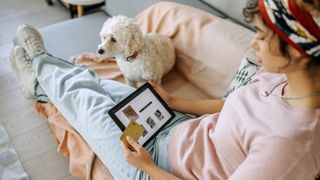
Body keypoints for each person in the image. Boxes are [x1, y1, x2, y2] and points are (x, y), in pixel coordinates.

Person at [10, 0, 320, 179]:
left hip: (160, 167)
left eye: (262, 36)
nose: (254, 44)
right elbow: (230, 107)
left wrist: (147, 167)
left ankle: (39, 67)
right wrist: (173, 101)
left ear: (295, 50)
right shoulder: (279, 76)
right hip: (177, 125)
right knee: (102, 85)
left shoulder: (290, 143)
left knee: (86, 104)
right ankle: (41, 81)